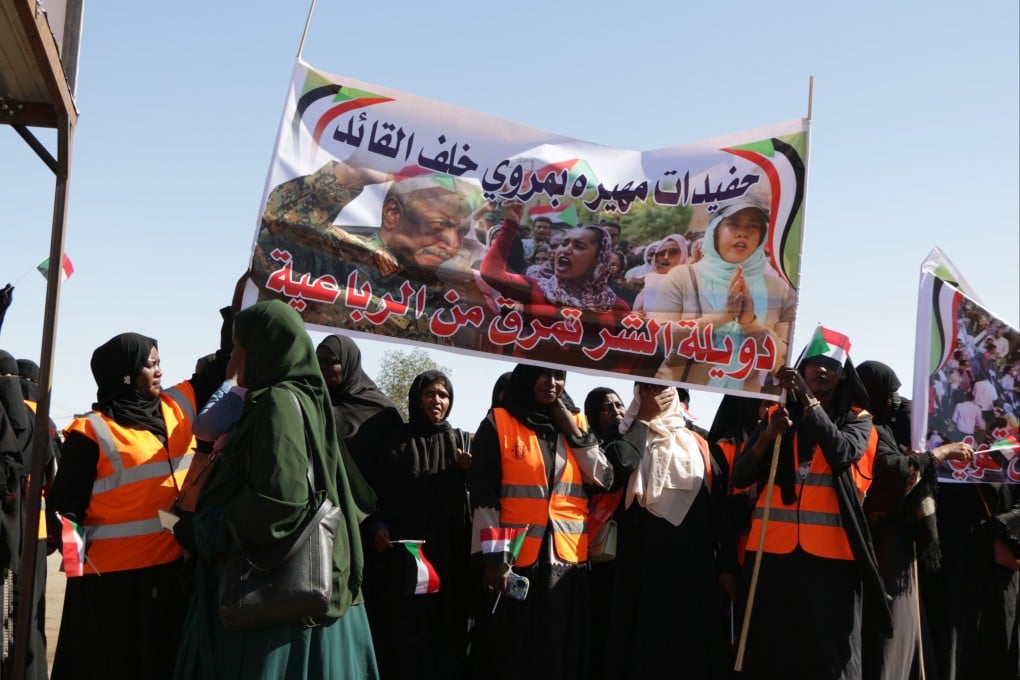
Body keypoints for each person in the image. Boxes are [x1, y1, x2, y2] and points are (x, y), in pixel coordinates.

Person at [170, 300, 377, 679]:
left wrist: (202, 530)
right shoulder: (303, 397)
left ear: (263, 347)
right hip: (298, 606)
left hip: (275, 616)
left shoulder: (277, 402)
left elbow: (280, 502)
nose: (234, 355)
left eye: (239, 345)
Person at [47, 307, 233, 680]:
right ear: (126, 374)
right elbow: (65, 509)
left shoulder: (177, 405)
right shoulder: (92, 431)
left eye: (160, 362)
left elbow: (226, 361)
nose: (159, 371)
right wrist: (76, 569)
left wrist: (237, 308)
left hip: (167, 573)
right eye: (150, 365)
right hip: (107, 585)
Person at [731, 331, 891, 679]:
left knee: (830, 658)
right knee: (773, 651)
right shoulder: (775, 415)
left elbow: (842, 453)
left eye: (831, 366)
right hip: (771, 552)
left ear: (843, 374)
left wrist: (806, 398)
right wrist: (769, 436)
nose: (821, 370)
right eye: (814, 363)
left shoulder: (859, 420)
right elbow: (739, 477)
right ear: (802, 367)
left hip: (831, 558)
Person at [469, 364, 613, 680]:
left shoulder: (577, 424)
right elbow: (484, 497)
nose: (552, 382)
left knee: (558, 653)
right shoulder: (499, 422)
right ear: (526, 377)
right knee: (514, 653)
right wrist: (494, 560)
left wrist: (575, 434)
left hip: (567, 562)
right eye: (543, 374)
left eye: (559, 376)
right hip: (515, 564)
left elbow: (604, 477)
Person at [252, 160, 486, 343]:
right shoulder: (336, 255)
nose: (453, 244)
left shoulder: (443, 294)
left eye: (461, 232)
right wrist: (350, 174)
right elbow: (276, 229)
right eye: (440, 225)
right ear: (393, 214)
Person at [603, 383, 733, 679]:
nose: (653, 395)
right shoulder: (621, 434)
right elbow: (620, 465)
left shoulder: (699, 443)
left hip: (691, 567)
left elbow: (718, 509)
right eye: (645, 389)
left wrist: (727, 566)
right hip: (640, 565)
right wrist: (644, 421)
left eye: (660, 388)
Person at [855, 360, 975, 680]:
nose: (895, 399)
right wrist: (935, 455)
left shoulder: (903, 419)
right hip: (880, 540)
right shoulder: (863, 428)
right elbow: (899, 472)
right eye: (888, 393)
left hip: (900, 536)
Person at [368, 370, 473, 679]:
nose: (437, 401)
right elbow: (377, 495)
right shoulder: (396, 441)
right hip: (405, 558)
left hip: (448, 560)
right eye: (430, 394)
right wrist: (378, 527)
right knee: (406, 634)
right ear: (417, 398)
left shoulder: (460, 441)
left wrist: (469, 471)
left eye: (443, 395)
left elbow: (478, 495)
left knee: (446, 633)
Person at [640, 194, 796, 392]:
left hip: (739, 406)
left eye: (753, 226)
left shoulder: (779, 290)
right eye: (733, 224)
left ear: (762, 235)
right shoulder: (683, 277)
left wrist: (750, 323)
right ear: (716, 231)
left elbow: (782, 365)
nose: (743, 234)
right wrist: (721, 317)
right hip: (680, 397)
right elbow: (659, 338)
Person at [480, 203, 631, 368]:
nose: (565, 250)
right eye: (564, 243)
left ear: (598, 259)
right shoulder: (537, 287)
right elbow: (491, 274)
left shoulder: (616, 307)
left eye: (579, 246)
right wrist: (511, 224)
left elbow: (623, 359)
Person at [16, 358, 61, 680]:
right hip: (41, 530)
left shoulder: (15, 415)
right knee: (35, 612)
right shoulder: (47, 423)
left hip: (17, 527)